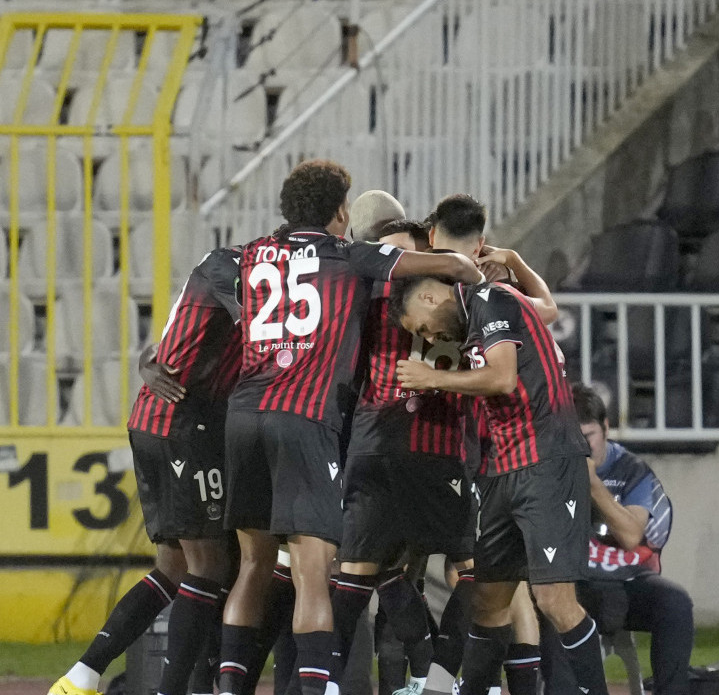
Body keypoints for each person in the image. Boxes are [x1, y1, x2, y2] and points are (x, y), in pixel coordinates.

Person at [217, 160, 483, 695]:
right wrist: (476, 268)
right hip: (306, 419)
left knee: (253, 567)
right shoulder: (351, 256)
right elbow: (456, 269)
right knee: (315, 575)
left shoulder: (247, 256)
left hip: (243, 417)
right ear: (341, 212)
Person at [387, 271, 608, 695]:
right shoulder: (480, 317)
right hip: (505, 469)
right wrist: (514, 259)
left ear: (431, 297)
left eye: (420, 325)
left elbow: (503, 377)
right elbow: (546, 307)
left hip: (547, 462)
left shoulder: (489, 297)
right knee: (488, 602)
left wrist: (432, 377)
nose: (427, 337)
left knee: (554, 600)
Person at [48, 248, 243, 695]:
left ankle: (81, 677)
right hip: (184, 426)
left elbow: (164, 343)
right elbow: (267, 329)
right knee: (211, 565)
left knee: (174, 568)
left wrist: (146, 360)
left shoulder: (221, 270)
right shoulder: (238, 272)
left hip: (161, 422)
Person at [329, 216, 481, 695]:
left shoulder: (378, 300)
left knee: (370, 573)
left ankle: (334, 683)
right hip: (420, 450)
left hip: (387, 446)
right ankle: (438, 678)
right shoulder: (457, 298)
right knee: (474, 571)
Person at [543, 384, 692, 695]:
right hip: (574, 583)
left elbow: (630, 535)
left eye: (588, 437)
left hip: (626, 580)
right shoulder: (548, 468)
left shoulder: (631, 470)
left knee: (675, 602)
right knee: (553, 606)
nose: (581, 447)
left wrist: (594, 485)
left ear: (606, 428)